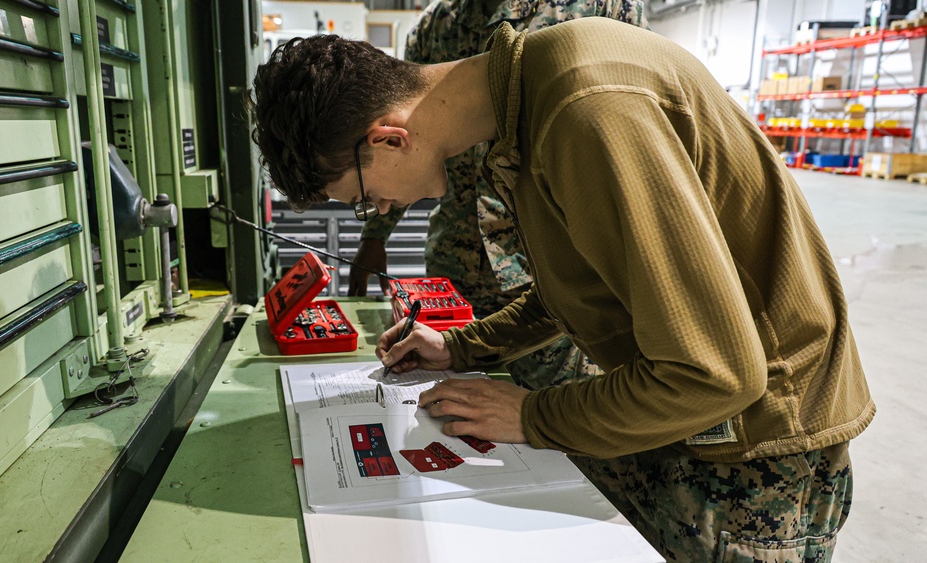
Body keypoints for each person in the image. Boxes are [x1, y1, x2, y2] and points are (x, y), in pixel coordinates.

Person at [250, 17, 875, 560]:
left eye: (362, 199)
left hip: (754, 455)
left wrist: (531, 414)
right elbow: (586, 281)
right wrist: (462, 348)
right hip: (695, 426)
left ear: (390, 137)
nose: (382, 208)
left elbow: (715, 374)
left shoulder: (586, 109)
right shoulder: (528, 99)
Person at [348, 0, 648, 391]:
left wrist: (533, 417)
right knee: (452, 416)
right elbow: (402, 131)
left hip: (545, 270)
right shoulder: (437, 25)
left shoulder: (601, 7)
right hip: (456, 269)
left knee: (561, 412)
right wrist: (374, 234)